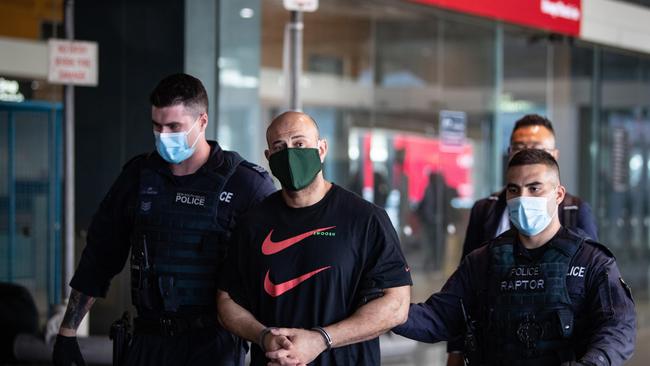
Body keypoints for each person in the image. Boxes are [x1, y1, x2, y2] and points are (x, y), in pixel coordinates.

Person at [51, 73, 276, 366]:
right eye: (157, 126)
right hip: (148, 341)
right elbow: (100, 255)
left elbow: (275, 270)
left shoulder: (245, 184)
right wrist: (68, 331)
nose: (164, 135)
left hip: (214, 344)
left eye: (174, 126)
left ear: (202, 121)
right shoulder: (138, 176)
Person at [394, 149, 636, 366]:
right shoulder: (483, 261)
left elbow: (618, 327)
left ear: (559, 194)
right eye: (514, 190)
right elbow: (438, 318)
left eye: (534, 188)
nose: (523, 198)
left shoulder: (590, 260)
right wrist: (387, 310)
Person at [216, 111, 412, 366]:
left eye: (299, 144)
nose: (290, 153)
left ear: (321, 149)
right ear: (268, 158)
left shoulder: (365, 219)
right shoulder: (253, 223)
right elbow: (226, 300)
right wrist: (264, 337)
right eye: (279, 147)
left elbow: (397, 303)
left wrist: (321, 339)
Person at [461, 114, 598, 260]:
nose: (528, 155)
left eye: (538, 149)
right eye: (519, 148)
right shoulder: (485, 208)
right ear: (509, 152)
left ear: (554, 155)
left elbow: (591, 265)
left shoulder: (575, 210)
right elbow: (468, 269)